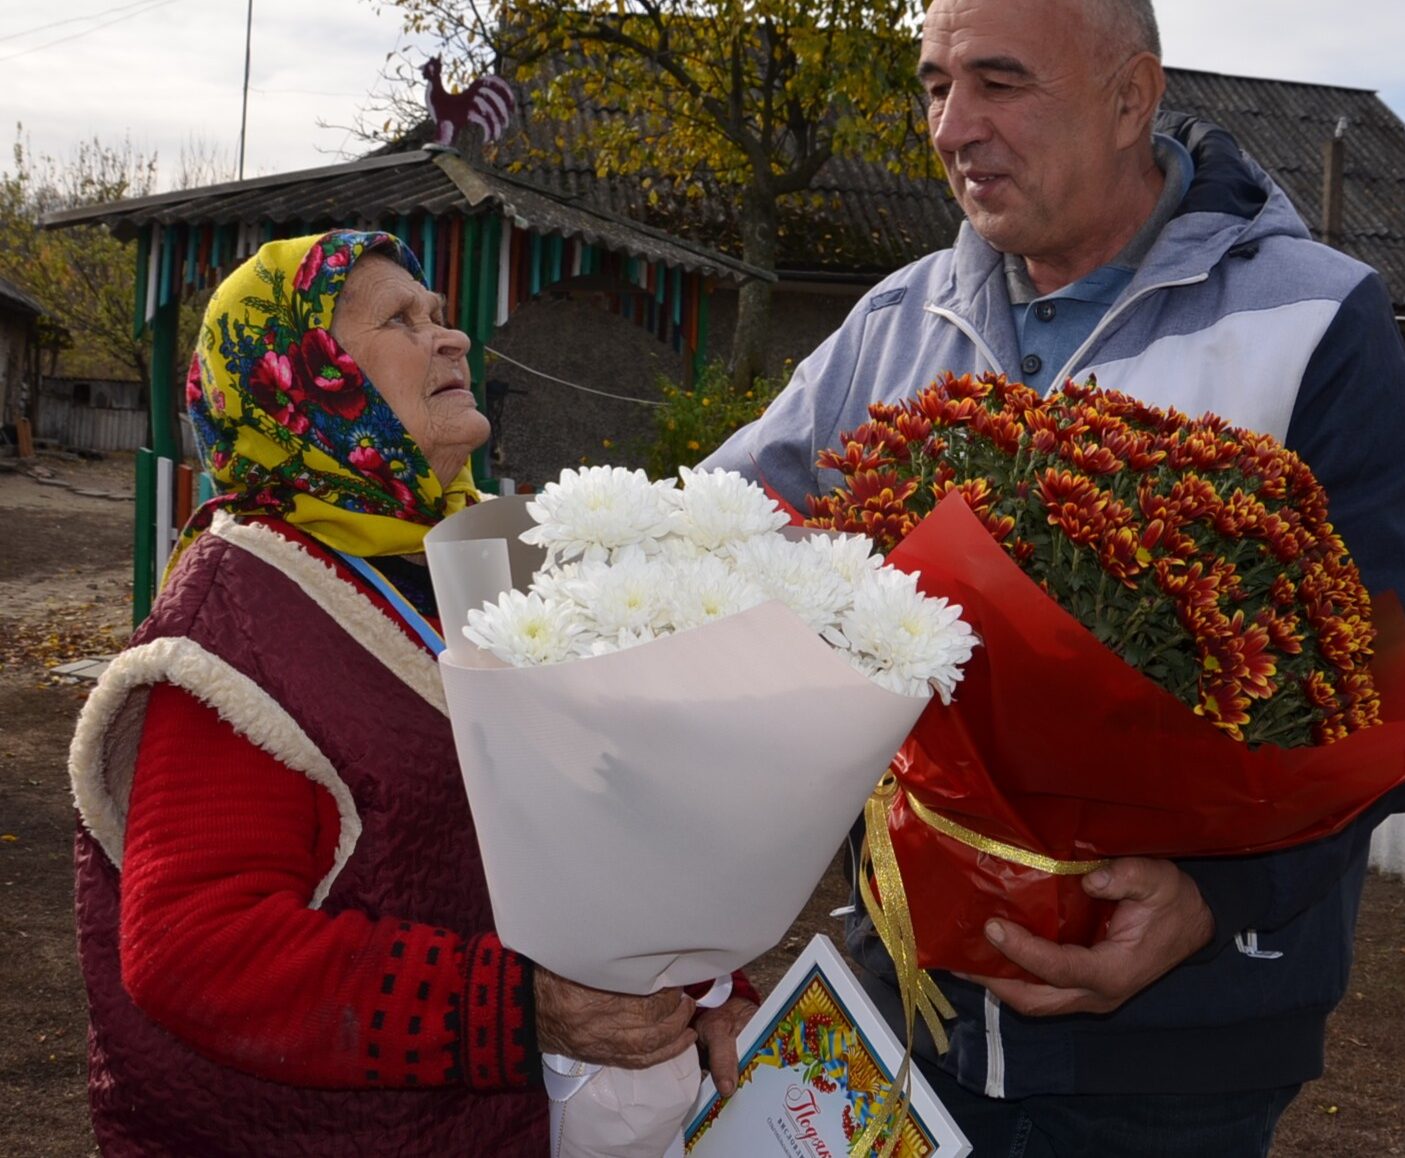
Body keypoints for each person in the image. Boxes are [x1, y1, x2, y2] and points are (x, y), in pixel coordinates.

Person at [703, 0, 1405, 1153]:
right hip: (904, 1001)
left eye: (999, 81)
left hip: (1173, 1053)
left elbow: (1380, 678)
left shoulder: (1315, 318)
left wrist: (1215, 901)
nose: (950, 127)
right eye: (935, 84)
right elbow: (721, 540)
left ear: (1131, 99)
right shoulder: (892, 320)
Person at [69, 229, 756, 1156]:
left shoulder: (479, 552)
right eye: (400, 320)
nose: (452, 336)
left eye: (438, 313)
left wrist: (703, 986)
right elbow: (196, 948)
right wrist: (516, 1009)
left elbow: (588, 814)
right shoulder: (237, 619)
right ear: (301, 377)